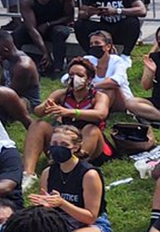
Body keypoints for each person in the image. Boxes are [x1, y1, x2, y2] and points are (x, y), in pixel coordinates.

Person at [22, 58, 111, 189]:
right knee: (38, 125)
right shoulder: (61, 94)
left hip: (90, 142)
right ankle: (28, 174)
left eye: (80, 75)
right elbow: (38, 112)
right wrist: (46, 106)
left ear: (89, 79)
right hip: (64, 139)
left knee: (91, 129)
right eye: (71, 75)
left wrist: (70, 112)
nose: (74, 78)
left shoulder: (99, 97)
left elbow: (100, 114)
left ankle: (72, 169)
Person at [30, 125, 111, 232]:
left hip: (90, 223)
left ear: (76, 147)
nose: (58, 148)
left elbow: (90, 217)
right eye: (55, 143)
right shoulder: (47, 173)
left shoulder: (89, 175)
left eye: (64, 145)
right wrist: (45, 207)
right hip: (59, 220)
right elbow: (45, 209)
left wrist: (62, 203)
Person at [13, 0, 75, 77]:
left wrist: (48, 24)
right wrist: (45, 52)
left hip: (56, 25)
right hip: (36, 28)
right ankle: (20, 65)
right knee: (17, 35)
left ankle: (58, 68)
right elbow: (31, 28)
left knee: (60, 33)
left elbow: (69, 17)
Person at [73, 0, 146, 56]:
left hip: (121, 27)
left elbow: (142, 10)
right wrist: (91, 12)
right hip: (104, 27)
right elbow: (81, 14)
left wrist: (117, 11)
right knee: (80, 24)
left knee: (133, 22)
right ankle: (89, 53)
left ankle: (126, 54)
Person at [80, 30, 133, 114]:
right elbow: (66, 78)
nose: (93, 46)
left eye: (97, 43)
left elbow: (115, 82)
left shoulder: (117, 61)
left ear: (108, 46)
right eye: (91, 44)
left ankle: (96, 113)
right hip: (95, 97)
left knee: (109, 88)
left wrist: (91, 86)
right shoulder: (88, 60)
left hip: (121, 101)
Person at [0, 30, 41, 108]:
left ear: (5, 50)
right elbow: (2, 83)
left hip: (26, 101)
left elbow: (12, 93)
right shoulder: (5, 60)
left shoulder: (23, 66)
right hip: (9, 93)